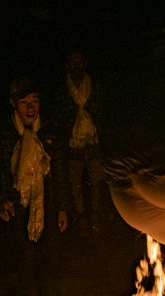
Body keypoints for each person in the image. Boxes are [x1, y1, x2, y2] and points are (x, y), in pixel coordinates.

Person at [0, 77, 70, 296]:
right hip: (17, 204)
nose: (31, 108)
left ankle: (48, 290)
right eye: (24, 102)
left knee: (52, 249)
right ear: (13, 104)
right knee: (23, 252)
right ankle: (26, 294)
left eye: (35, 101)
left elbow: (59, 171)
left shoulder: (48, 132)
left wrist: (62, 207)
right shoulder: (3, 135)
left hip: (46, 202)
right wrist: (0, 199)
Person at [53, 49, 107, 237]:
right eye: (72, 61)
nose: (76, 65)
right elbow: (59, 116)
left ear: (85, 63)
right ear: (68, 64)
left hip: (93, 142)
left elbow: (102, 111)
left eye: (79, 60)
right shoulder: (62, 89)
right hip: (72, 144)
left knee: (97, 182)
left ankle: (95, 217)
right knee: (74, 184)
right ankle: (82, 218)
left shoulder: (95, 86)